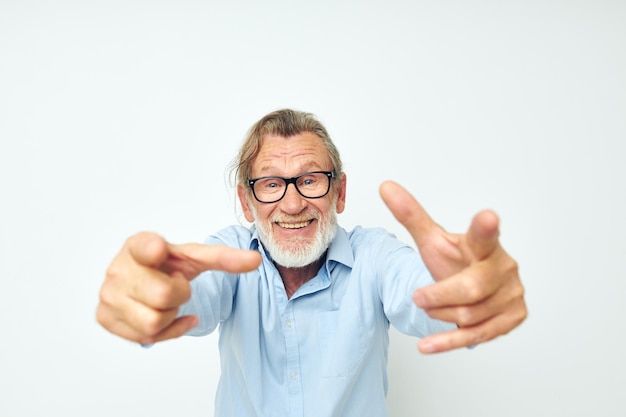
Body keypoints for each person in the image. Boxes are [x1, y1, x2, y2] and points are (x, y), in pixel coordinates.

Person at [96, 109, 527, 416]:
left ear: (338, 192)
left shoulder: (376, 256)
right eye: (271, 184)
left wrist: (471, 289)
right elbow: (190, 292)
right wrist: (152, 295)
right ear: (247, 202)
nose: (293, 202)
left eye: (309, 179)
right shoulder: (227, 256)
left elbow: (425, 294)